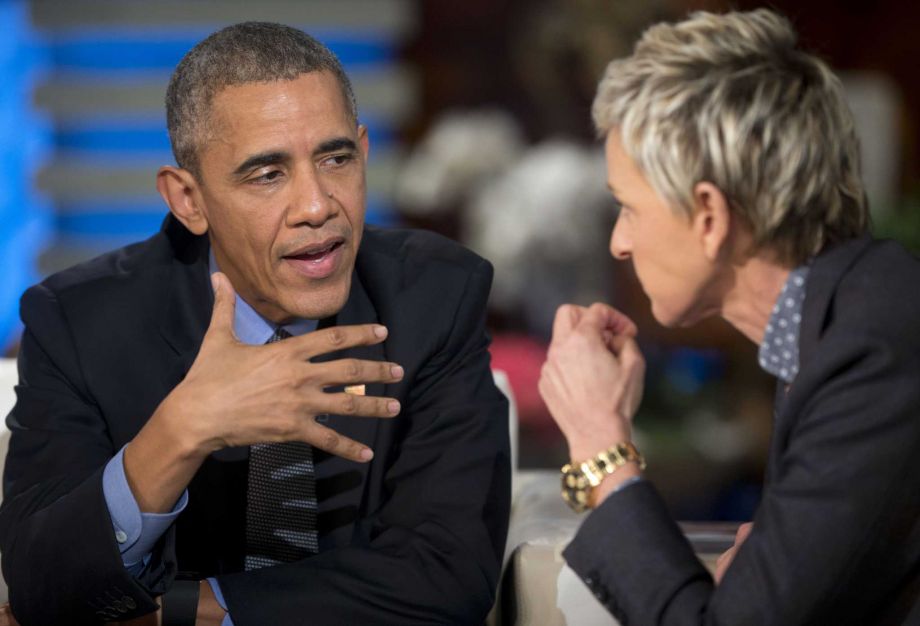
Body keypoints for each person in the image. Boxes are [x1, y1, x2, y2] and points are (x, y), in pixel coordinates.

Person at [0, 22, 510, 625]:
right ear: (188, 199)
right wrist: (182, 429)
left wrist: (187, 611)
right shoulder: (78, 321)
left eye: (336, 158)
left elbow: (449, 576)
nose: (318, 205)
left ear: (365, 152)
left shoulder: (437, 295)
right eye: (267, 174)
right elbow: (39, 589)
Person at [539, 9, 920, 625]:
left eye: (628, 207)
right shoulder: (851, 318)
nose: (618, 242)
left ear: (710, 217)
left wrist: (599, 446)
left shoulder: (871, 350)